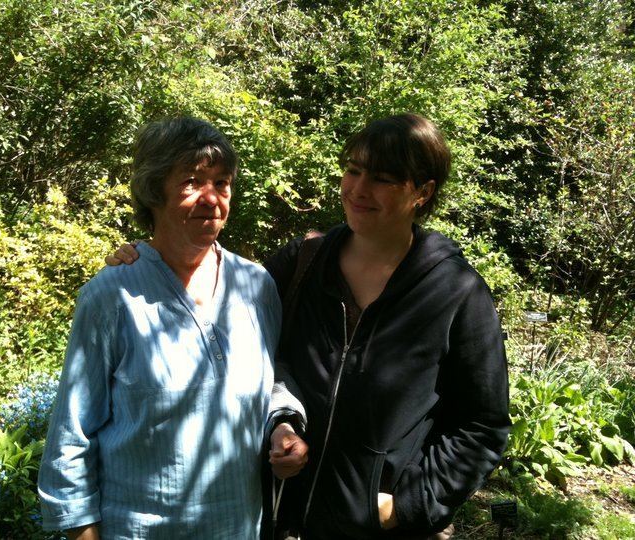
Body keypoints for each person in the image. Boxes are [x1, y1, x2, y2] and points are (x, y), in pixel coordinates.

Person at [107, 113, 511, 539]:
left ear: (423, 192)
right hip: (279, 517)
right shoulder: (303, 263)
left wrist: (409, 505)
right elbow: (220, 319)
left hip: (374, 529)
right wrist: (150, 259)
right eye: (352, 171)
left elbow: (483, 423)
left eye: (382, 179)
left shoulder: (455, 293)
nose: (357, 189)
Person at [38, 117, 303, 540]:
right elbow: (72, 436)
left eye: (222, 182)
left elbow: (269, 381)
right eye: (192, 182)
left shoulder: (255, 285)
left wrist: (284, 428)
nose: (212, 198)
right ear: (153, 189)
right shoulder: (113, 295)